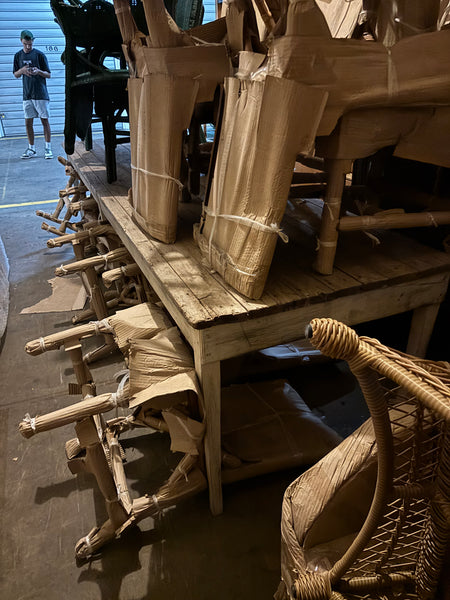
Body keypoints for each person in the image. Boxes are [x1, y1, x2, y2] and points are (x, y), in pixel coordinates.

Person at [13, 30, 53, 159]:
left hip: (40, 94)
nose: (28, 46)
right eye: (26, 44)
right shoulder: (18, 56)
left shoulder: (40, 55)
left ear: (33, 41)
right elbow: (15, 74)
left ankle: (48, 148)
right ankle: (31, 149)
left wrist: (38, 71)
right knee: (28, 122)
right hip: (27, 94)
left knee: (44, 121)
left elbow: (48, 74)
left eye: (30, 44)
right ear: (21, 41)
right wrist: (23, 70)